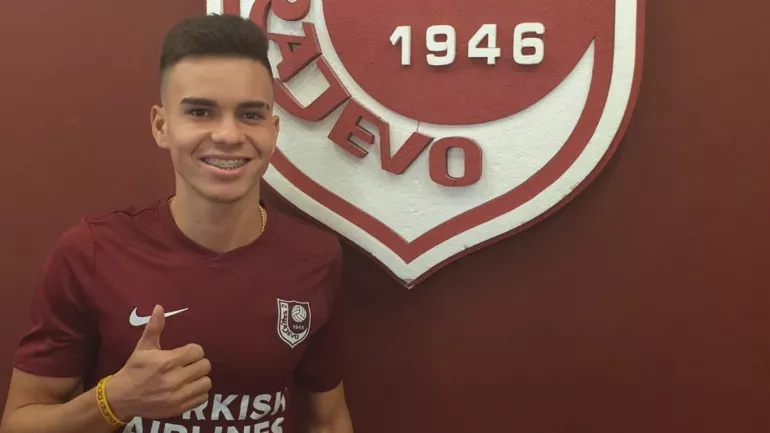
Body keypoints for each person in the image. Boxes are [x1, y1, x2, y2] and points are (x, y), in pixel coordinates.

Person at [0, 13, 353, 433]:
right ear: (161, 126)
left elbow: (327, 421)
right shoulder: (90, 252)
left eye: (250, 115)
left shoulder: (315, 257)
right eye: (201, 112)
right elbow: (19, 422)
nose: (228, 135)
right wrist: (113, 401)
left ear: (273, 131)